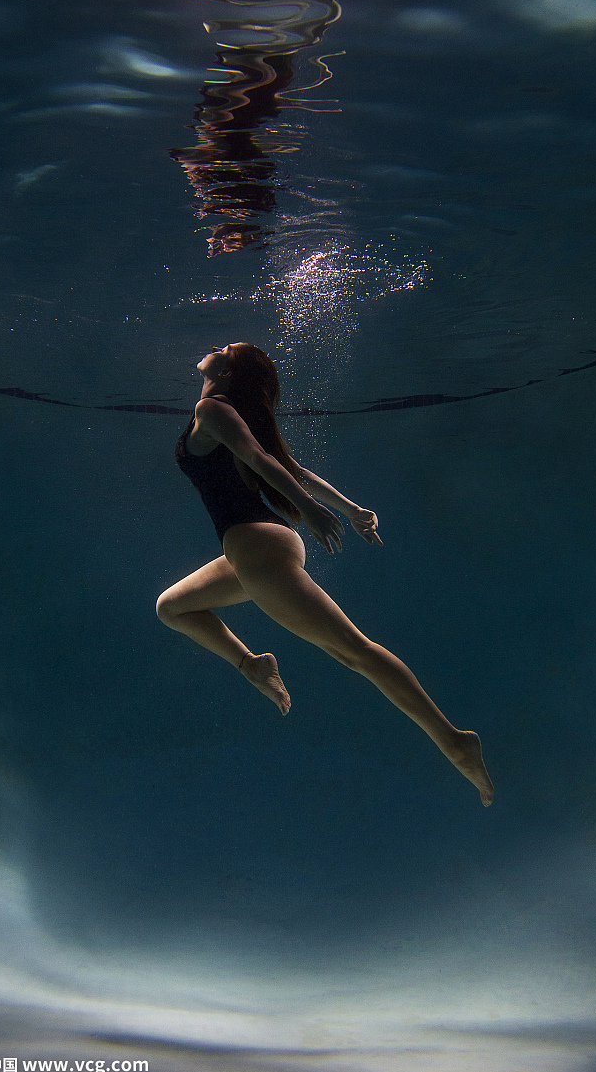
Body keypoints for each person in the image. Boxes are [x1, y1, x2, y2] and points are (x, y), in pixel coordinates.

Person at [157, 343, 494, 805]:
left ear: (232, 372)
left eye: (227, 349)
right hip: (251, 552)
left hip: (258, 550)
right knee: (172, 607)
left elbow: (263, 461)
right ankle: (252, 664)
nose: (217, 347)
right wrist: (351, 509)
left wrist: (312, 510)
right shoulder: (223, 412)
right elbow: (292, 467)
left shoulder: (211, 408)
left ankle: (455, 742)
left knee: (356, 652)